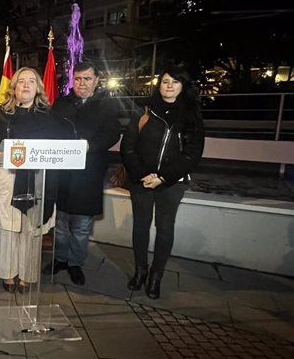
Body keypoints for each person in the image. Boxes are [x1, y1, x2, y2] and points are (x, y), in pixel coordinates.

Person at [0, 67, 70, 293]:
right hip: (7, 181)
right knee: (9, 230)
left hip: (38, 181)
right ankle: (8, 274)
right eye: (22, 81)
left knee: (31, 231)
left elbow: (59, 151)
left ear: (38, 87)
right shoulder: (0, 114)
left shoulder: (49, 117)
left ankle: (27, 275)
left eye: (32, 81)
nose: (27, 85)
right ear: (14, 87)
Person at [121, 65, 205, 299]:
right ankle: (140, 271)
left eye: (174, 82)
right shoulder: (144, 110)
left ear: (183, 86)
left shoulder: (191, 115)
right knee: (140, 227)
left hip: (171, 183)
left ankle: (156, 276)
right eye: (165, 81)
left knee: (165, 229)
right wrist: (141, 174)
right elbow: (128, 147)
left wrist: (163, 177)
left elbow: (193, 153)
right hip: (141, 181)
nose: (169, 86)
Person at [44, 61, 120, 286]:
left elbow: (112, 134)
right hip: (64, 174)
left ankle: (75, 263)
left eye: (87, 78)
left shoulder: (106, 105)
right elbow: (50, 132)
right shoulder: (61, 104)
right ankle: (60, 259)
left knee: (82, 226)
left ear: (96, 80)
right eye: (77, 79)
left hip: (89, 173)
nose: (82, 83)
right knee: (60, 223)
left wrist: (91, 146)